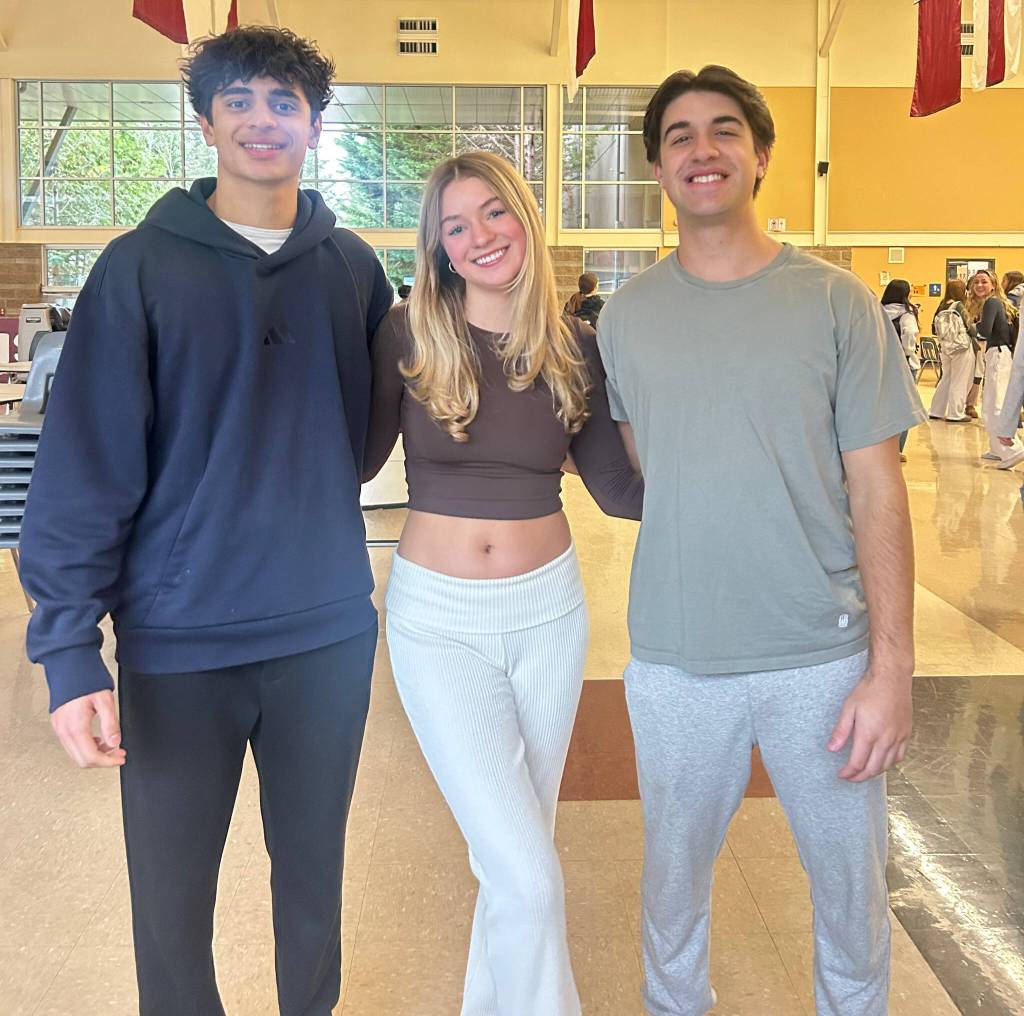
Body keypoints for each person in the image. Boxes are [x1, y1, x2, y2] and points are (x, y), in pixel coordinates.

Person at [18, 27, 393, 1016]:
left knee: (313, 886)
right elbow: (84, 466)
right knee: (171, 902)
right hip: (179, 642)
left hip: (325, 635)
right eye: (239, 101)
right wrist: (68, 651)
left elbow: (358, 440)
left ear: (314, 123)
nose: (261, 118)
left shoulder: (353, 268)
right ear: (206, 121)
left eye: (283, 101)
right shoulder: (138, 268)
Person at [597, 65, 925, 1016]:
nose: (703, 150)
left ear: (762, 155)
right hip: (676, 659)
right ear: (659, 167)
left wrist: (891, 669)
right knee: (671, 895)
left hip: (822, 661)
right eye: (681, 136)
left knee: (852, 899)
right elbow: (645, 465)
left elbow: (878, 486)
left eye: (725, 130)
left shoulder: (836, 303)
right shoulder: (627, 318)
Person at [363, 150, 643, 1016]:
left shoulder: (575, 348)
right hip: (437, 623)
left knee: (520, 853)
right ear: (438, 248)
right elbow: (352, 457)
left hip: (549, 617)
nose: (479, 235)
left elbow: (620, 489)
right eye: (455, 226)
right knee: (525, 873)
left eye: (493, 213)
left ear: (524, 216)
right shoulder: (409, 333)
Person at [965, 269, 1024, 468]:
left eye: (984, 282)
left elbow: (983, 331)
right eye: (976, 282)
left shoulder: (991, 303)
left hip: (999, 354)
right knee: (989, 403)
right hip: (999, 354)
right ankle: (997, 448)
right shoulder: (997, 303)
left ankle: (1012, 449)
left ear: (993, 285)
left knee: (996, 403)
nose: (979, 285)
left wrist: (969, 325)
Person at [881, 278, 921, 461]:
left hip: (880, 363)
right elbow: (910, 334)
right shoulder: (907, 314)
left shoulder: (877, 311)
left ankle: (880, 447)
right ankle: (896, 449)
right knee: (904, 407)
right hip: (903, 364)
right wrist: (908, 352)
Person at [928, 278, 976, 423]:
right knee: (960, 380)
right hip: (961, 347)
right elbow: (970, 329)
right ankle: (956, 413)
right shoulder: (958, 306)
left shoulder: (942, 305)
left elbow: (933, 328)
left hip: (945, 348)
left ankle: (936, 410)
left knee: (946, 378)